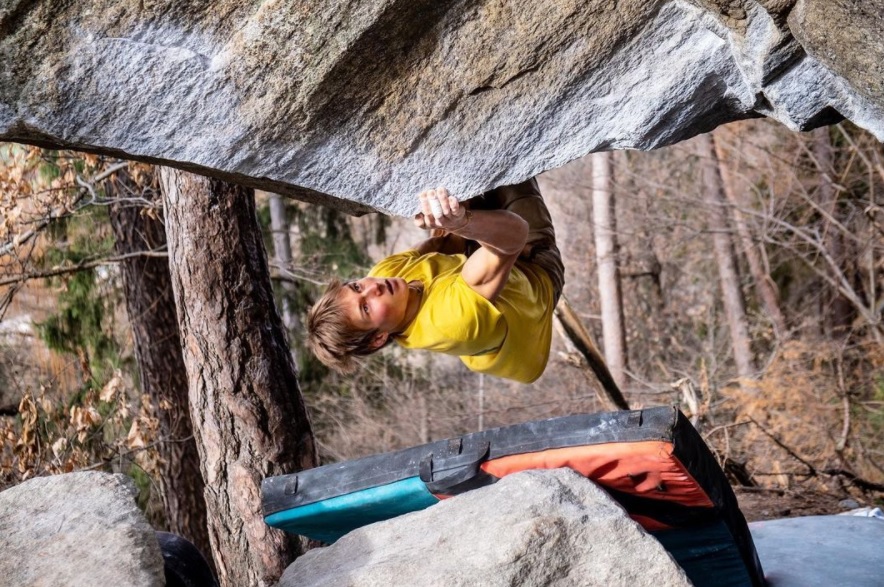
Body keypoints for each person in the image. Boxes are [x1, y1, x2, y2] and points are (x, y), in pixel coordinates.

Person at [306, 178, 564, 383]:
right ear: (378, 338)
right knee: (514, 169)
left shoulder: (384, 274)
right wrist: (463, 221)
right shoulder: (451, 320)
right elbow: (515, 235)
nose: (374, 288)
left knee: (457, 184)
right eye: (366, 308)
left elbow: (440, 243)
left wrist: (443, 213)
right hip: (533, 272)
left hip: (474, 270)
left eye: (356, 287)